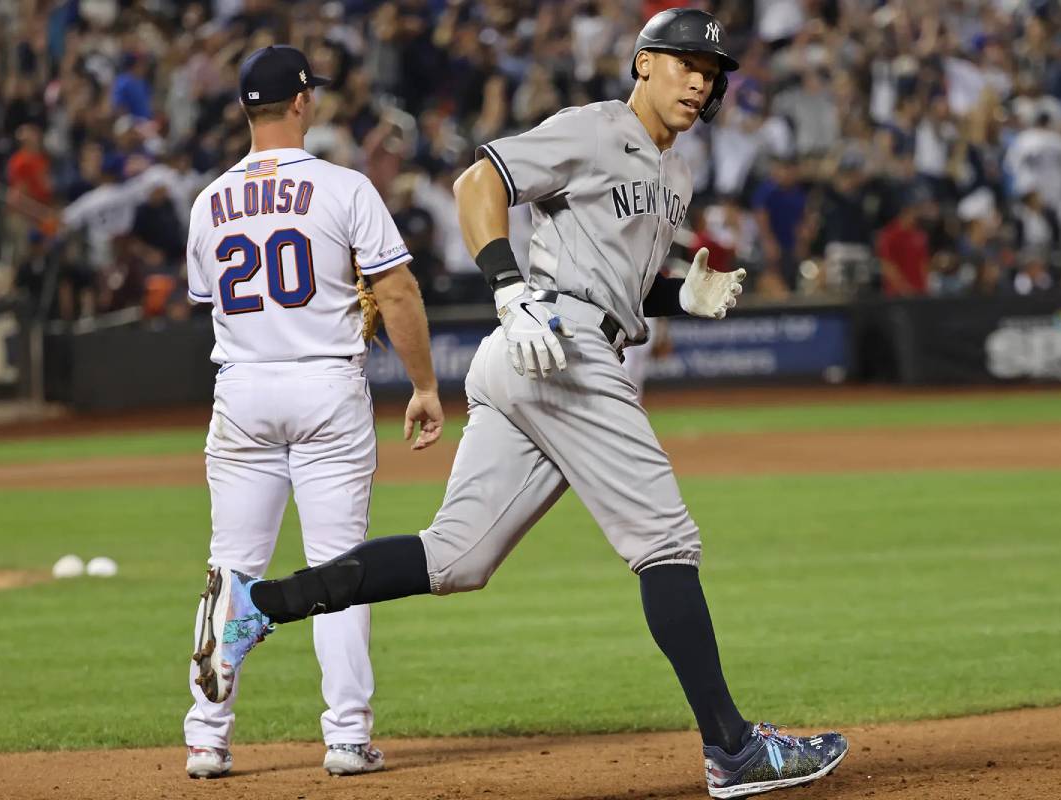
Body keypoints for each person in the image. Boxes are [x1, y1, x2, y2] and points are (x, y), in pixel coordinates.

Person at [193, 13, 847, 799]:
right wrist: (507, 290)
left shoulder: (676, 174)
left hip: (545, 350)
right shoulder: (594, 129)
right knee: (667, 540)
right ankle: (732, 749)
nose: (701, 80)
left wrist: (680, 296)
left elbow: (625, 286)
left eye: (712, 70)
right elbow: (480, 184)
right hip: (555, 340)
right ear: (643, 65)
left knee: (454, 559)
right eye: (685, 63)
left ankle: (258, 602)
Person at [183, 45, 444, 781]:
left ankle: (206, 737)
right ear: (302, 102)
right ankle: (347, 737)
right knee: (339, 569)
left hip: (243, 389)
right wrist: (423, 385)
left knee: (229, 565)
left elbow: (212, 301)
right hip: (325, 386)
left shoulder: (208, 201)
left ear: (244, 108)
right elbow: (396, 292)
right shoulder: (343, 187)